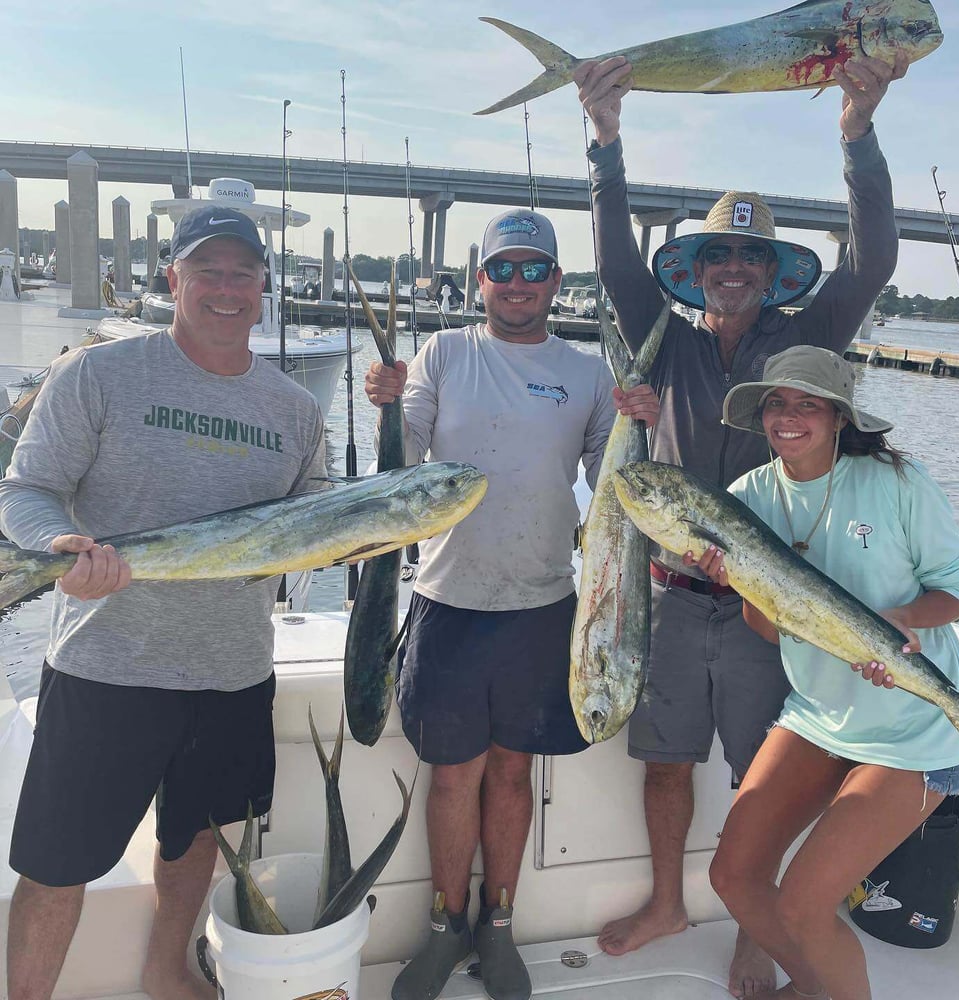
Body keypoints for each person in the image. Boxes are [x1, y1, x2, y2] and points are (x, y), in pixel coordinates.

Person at [574, 49, 908, 995]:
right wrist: (607, 144)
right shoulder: (662, 337)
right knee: (666, 761)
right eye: (717, 254)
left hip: (773, 599)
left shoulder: (808, 343)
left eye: (750, 256)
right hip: (671, 595)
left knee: (778, 773)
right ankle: (668, 900)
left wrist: (858, 136)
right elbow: (608, 259)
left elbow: (874, 259)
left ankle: (757, 929)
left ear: (772, 271)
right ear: (693, 270)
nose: (732, 268)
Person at [1, 205, 327, 1000]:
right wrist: (58, 549)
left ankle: (164, 971)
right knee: (56, 862)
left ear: (263, 285)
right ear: (173, 277)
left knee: (198, 843)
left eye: (242, 272)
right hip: (106, 666)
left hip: (233, 672)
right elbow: (29, 489)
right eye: (206, 270)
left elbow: (315, 519)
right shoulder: (96, 373)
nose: (225, 287)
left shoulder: (294, 408)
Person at [364, 208, 658, 1000]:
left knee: (510, 774)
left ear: (558, 282)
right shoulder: (444, 351)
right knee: (452, 778)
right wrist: (385, 400)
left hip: (542, 604)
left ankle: (498, 922)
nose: (520, 284)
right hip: (447, 599)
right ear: (481, 279)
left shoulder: (591, 373)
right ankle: (442, 923)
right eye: (505, 269)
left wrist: (644, 431)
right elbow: (411, 456)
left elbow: (611, 489)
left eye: (536, 270)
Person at [688, 344, 959, 1000]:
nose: (789, 417)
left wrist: (903, 620)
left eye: (807, 404)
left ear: (840, 417)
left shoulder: (897, 483)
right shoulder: (746, 498)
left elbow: (958, 590)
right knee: (733, 877)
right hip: (820, 712)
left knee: (802, 907)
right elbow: (768, 630)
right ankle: (822, 990)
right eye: (777, 405)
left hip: (912, 721)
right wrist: (741, 585)